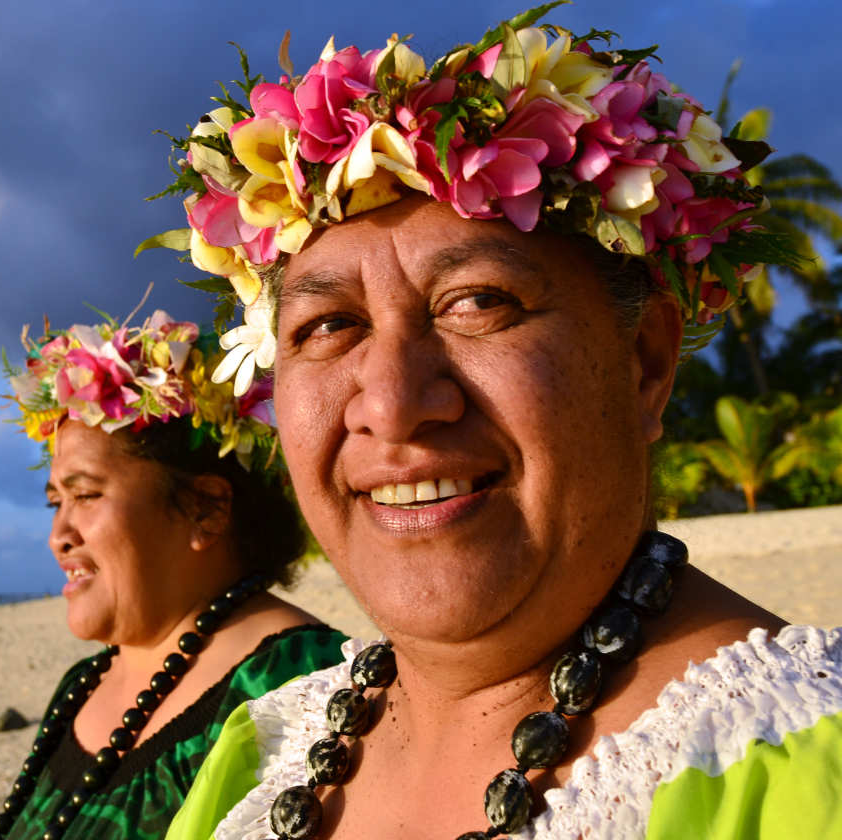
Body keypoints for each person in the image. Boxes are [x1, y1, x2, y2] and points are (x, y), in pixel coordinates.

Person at [139, 9, 842, 839]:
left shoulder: (795, 766)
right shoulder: (260, 756)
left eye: (478, 303)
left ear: (645, 365)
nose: (392, 404)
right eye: (327, 326)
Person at [0, 310, 349, 840]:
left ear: (206, 509)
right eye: (55, 501)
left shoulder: (301, 684)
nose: (59, 534)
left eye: (86, 495)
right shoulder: (82, 685)